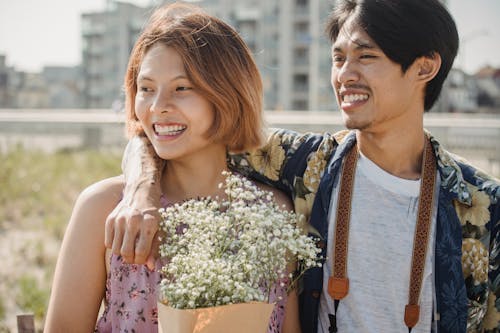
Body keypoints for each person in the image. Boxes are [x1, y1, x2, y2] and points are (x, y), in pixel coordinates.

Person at [105, 0, 500, 332]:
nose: (345, 76)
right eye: (339, 58)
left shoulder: (483, 206)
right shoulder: (303, 161)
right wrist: (141, 189)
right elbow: (173, 132)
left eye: (366, 57)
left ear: (424, 68)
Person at [44, 3, 301, 332]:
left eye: (182, 88)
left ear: (229, 95)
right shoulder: (103, 207)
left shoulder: (272, 212)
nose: (157, 107)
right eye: (146, 88)